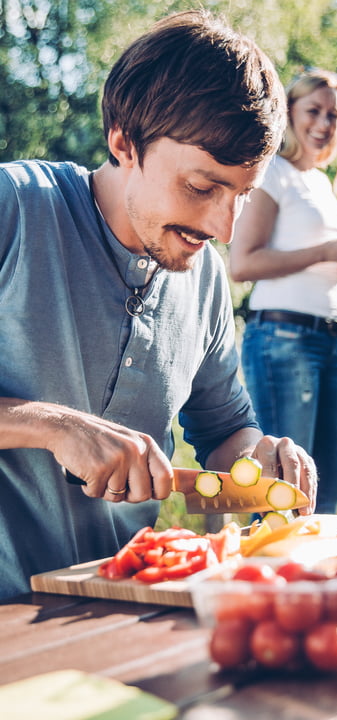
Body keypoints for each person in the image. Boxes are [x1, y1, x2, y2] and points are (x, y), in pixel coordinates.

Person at [0, 10, 318, 600]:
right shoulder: (13, 207)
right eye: (201, 188)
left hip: (118, 611)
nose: (223, 227)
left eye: (241, 195)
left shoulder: (205, 280)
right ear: (124, 141)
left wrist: (260, 458)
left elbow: (224, 432)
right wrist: (49, 426)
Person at [229, 69, 337, 514]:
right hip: (284, 340)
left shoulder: (319, 182)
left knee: (322, 486)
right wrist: (328, 249)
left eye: (333, 115)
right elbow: (243, 263)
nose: (323, 123)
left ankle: (312, 581)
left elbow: (316, 258)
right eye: (312, 111)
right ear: (288, 114)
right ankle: (269, 579)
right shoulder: (273, 171)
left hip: (329, 338)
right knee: (283, 492)